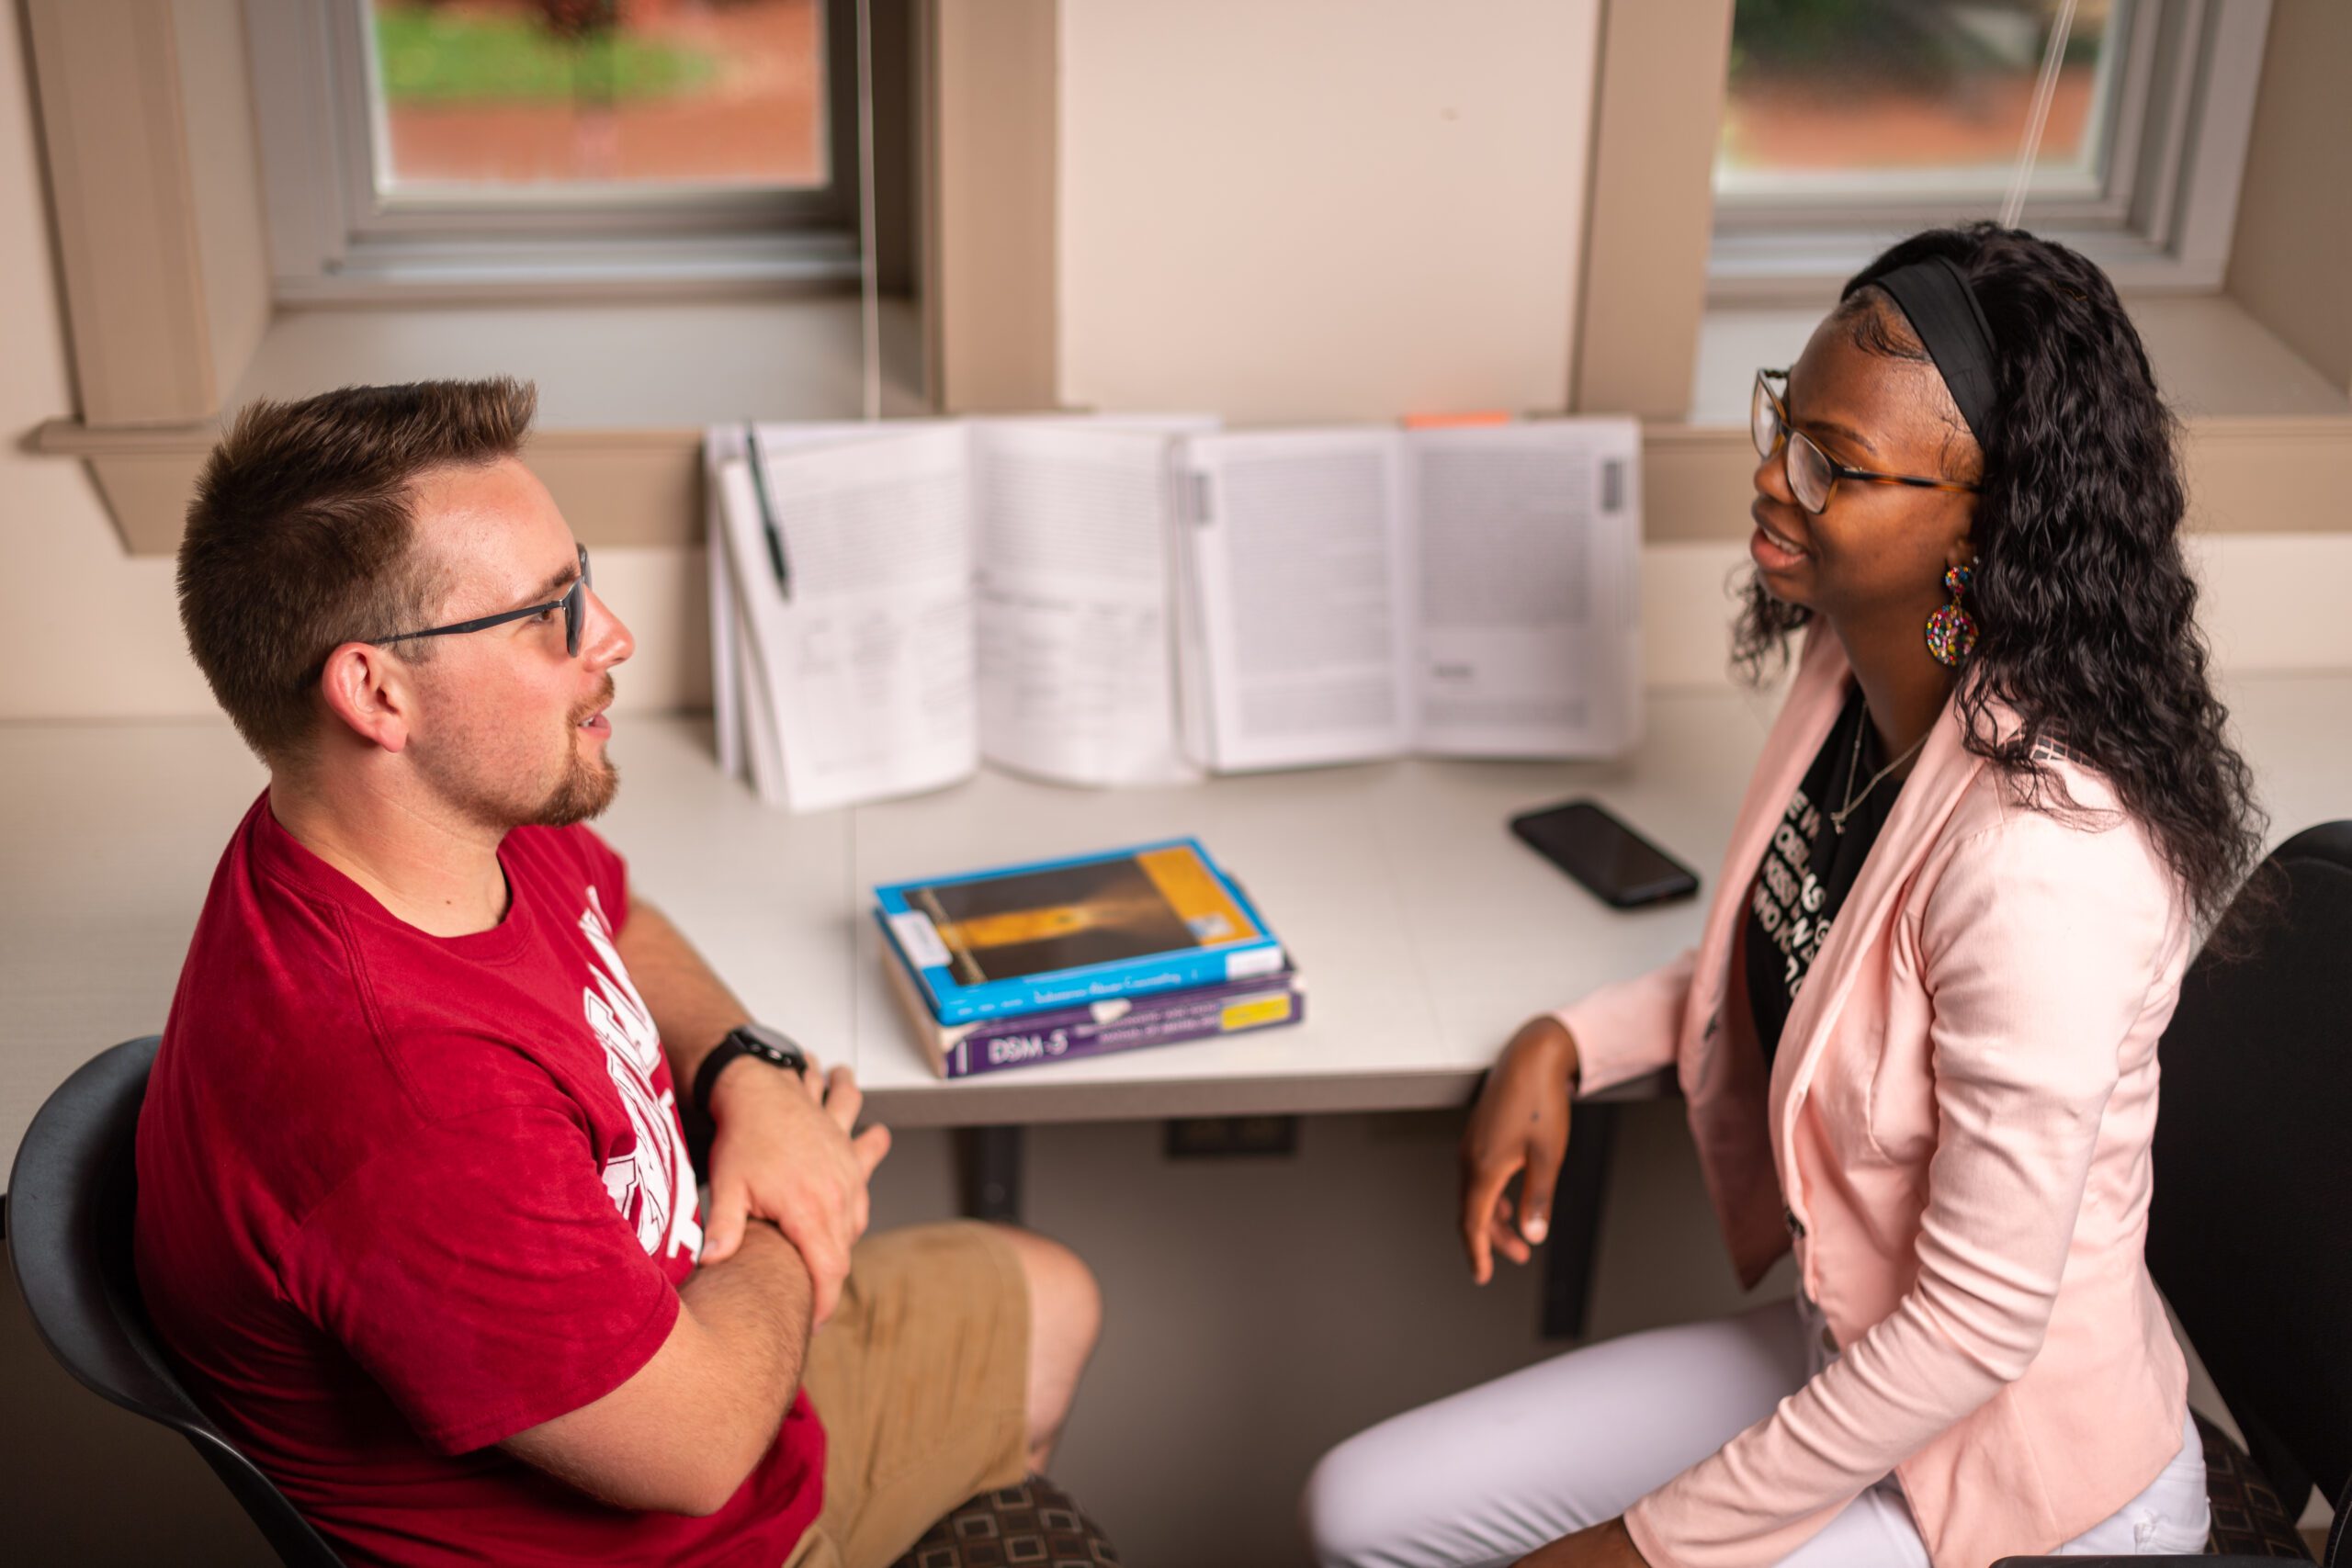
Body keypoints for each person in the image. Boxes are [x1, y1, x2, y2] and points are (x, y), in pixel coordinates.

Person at [1303, 223, 2267, 1568]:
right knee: (1356, 1510)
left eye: (1832, 463)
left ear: (1986, 527)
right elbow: (1815, 958)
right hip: (1857, 1354)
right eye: (1783, 420)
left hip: (2018, 1489)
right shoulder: (1853, 670)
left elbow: (1979, 1325)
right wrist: (1568, 1041)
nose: (1772, 477)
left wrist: (1641, 1551)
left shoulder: (2047, 858)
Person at [134, 379, 1102, 1568]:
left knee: (1051, 1294)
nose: (613, 637)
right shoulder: (406, 1099)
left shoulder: (422, 822)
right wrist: (789, 1201)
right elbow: (697, 1455)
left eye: (579, 579)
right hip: (694, 1516)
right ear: (378, 693)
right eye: (550, 613)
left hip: (698, 1331)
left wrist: (750, 1076)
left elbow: (620, 916)